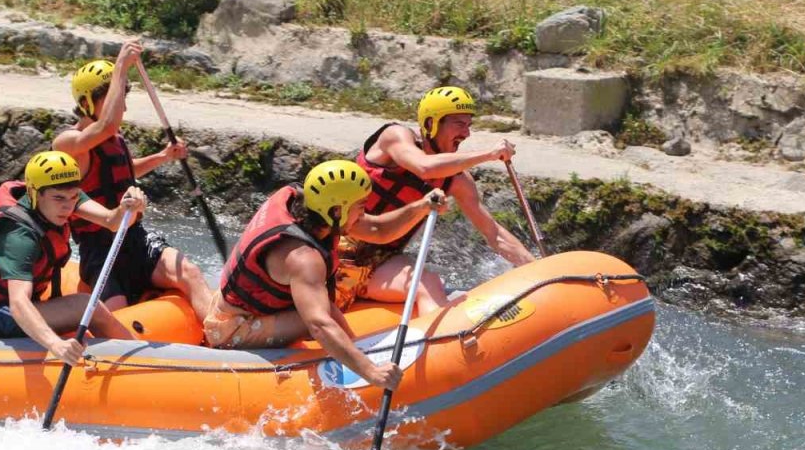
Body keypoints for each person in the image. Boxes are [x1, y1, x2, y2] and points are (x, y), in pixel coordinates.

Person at [204, 160, 444, 389]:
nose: (364, 212)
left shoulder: (311, 208)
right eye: (360, 206)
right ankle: (359, 364)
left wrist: (421, 207)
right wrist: (371, 372)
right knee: (326, 315)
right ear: (338, 210)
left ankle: (358, 353)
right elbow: (319, 325)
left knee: (331, 313)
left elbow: (377, 230)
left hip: (240, 310)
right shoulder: (303, 259)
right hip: (234, 331)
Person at [334, 85, 535, 316]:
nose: (466, 133)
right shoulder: (394, 137)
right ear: (431, 124)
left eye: (469, 125)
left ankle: (445, 345)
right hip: (334, 255)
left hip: (379, 265)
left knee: (428, 283)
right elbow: (424, 167)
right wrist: (489, 155)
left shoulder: (458, 180)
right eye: (459, 123)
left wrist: (538, 270)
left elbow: (494, 234)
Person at [52, 42, 213, 320]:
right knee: (116, 315)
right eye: (115, 98)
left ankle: (222, 334)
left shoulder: (114, 140)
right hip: (99, 248)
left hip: (134, 237)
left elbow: (124, 172)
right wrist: (121, 68)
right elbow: (107, 125)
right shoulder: (69, 143)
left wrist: (163, 156)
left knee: (190, 272)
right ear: (87, 104)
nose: (122, 108)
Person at [0, 151, 139, 363]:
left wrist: (129, 208)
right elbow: (18, 302)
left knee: (87, 305)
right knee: (86, 306)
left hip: (9, 307)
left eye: (74, 197)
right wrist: (56, 345)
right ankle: (145, 362)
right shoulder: (18, 236)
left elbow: (112, 221)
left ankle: (138, 356)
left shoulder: (61, 192)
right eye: (59, 198)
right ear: (35, 193)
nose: (68, 206)